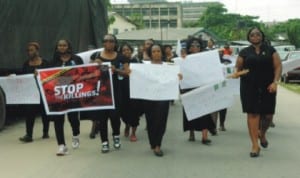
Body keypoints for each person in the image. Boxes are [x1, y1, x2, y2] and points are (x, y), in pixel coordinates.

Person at [233, 27, 282, 158]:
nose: (255, 36)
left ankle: (263, 134)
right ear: (249, 37)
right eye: (252, 34)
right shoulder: (244, 52)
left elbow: (278, 66)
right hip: (249, 87)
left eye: (258, 34)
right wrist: (237, 73)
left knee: (268, 116)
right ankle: (255, 145)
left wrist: (275, 82)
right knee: (253, 114)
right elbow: (238, 68)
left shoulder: (270, 50)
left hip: (268, 87)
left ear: (262, 36)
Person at [138, 43, 179, 157]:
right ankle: (153, 142)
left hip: (163, 98)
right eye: (154, 51)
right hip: (149, 98)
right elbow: (139, 78)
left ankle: (158, 145)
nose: (156, 53)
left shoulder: (168, 66)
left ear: (162, 52)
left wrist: (178, 77)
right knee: (151, 121)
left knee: (161, 121)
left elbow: (172, 79)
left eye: (158, 51)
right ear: (151, 54)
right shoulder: (145, 66)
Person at [51, 39, 83, 156]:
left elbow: (82, 74)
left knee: (73, 118)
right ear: (57, 47)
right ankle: (61, 146)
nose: (62, 47)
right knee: (58, 120)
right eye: (59, 45)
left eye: (64, 45)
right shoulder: (53, 61)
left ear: (68, 47)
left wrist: (66, 80)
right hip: (58, 96)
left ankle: (76, 135)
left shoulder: (76, 59)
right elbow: (47, 76)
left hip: (73, 94)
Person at [182, 37, 215, 145]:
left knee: (204, 111)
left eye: (197, 45)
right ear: (189, 48)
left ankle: (204, 136)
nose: (195, 47)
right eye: (192, 45)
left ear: (201, 47)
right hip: (189, 87)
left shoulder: (205, 58)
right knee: (190, 110)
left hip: (202, 87)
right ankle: (191, 133)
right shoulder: (184, 58)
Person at [93, 34, 123, 153]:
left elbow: (127, 73)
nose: (109, 43)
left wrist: (116, 70)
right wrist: (94, 65)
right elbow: (87, 72)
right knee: (102, 119)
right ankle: (104, 142)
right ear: (103, 43)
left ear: (115, 43)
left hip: (115, 91)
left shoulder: (120, 57)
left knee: (115, 117)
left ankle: (116, 135)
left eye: (111, 41)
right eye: (106, 41)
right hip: (101, 92)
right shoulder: (96, 56)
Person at [19, 42, 50, 143]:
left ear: (37, 51)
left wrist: (40, 74)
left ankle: (45, 132)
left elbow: (51, 75)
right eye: (28, 50)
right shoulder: (26, 64)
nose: (29, 52)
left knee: (44, 113)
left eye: (31, 50)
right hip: (31, 93)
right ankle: (29, 135)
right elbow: (22, 77)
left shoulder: (45, 63)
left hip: (43, 91)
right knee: (29, 113)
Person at [119, 43, 142, 142]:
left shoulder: (136, 61)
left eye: (128, 49)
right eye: (124, 50)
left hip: (135, 91)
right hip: (122, 91)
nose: (126, 51)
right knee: (123, 112)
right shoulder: (119, 62)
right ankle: (127, 125)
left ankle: (133, 132)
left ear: (131, 51)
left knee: (135, 113)